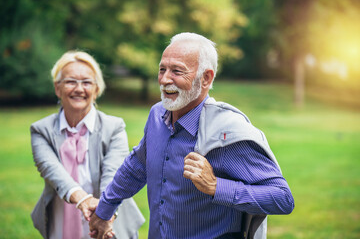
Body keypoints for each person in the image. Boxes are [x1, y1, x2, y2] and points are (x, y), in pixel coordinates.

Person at [89, 32, 295, 239]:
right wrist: (103, 212)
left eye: (177, 71)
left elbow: (282, 198)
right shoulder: (156, 115)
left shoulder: (228, 131)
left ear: (206, 78)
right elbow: (137, 167)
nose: (164, 79)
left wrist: (216, 186)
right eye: (162, 69)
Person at [30, 51, 144, 239]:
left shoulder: (114, 127)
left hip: (111, 221)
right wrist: (83, 199)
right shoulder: (41, 130)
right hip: (61, 220)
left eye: (87, 82)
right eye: (70, 81)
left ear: (97, 89)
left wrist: (105, 215)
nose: (79, 88)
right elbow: (52, 171)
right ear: (57, 88)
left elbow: (113, 174)